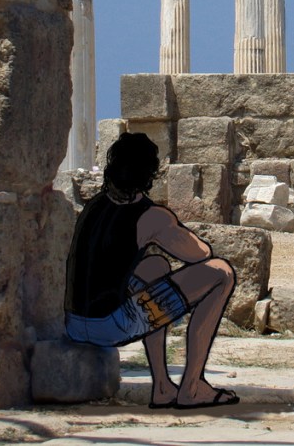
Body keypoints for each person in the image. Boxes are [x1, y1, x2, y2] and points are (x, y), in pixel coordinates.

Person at [63, 132, 240, 409]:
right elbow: (201, 254)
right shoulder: (151, 216)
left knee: (156, 266)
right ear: (150, 173)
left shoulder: (94, 206)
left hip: (74, 323)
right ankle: (193, 387)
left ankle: (162, 387)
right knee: (221, 273)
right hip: (110, 326)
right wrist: (165, 227)